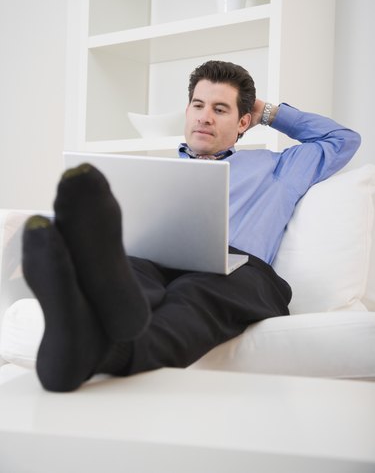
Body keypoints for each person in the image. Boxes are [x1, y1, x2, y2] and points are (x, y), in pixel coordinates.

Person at [22, 60, 361, 392]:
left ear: (243, 122)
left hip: (239, 269)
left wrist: (267, 111)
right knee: (133, 269)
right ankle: (92, 325)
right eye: (197, 105)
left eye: (220, 109)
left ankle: (99, 345)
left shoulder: (279, 168)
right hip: (161, 262)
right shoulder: (157, 175)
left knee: (193, 293)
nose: (204, 116)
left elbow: (342, 140)